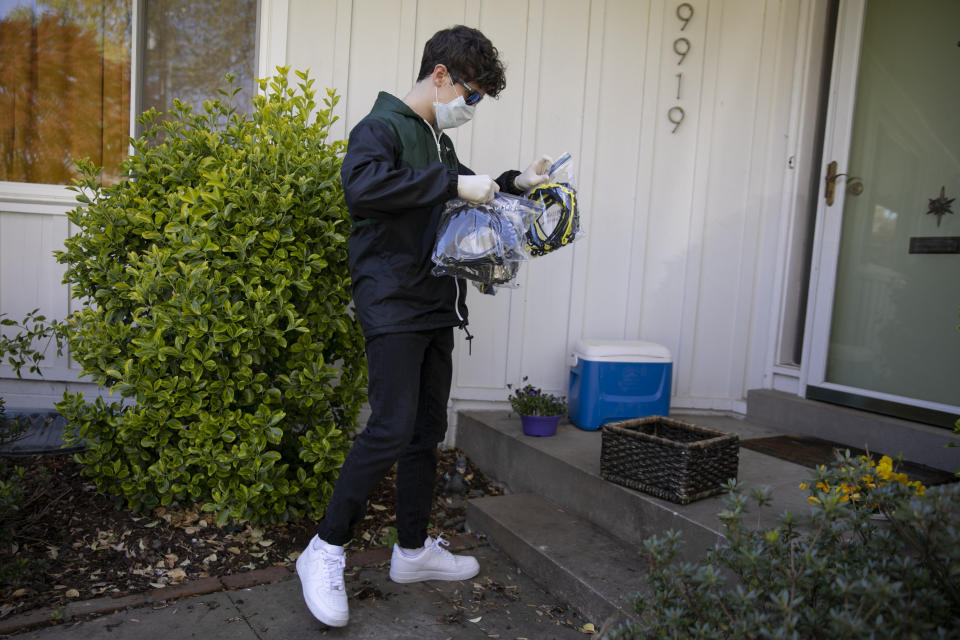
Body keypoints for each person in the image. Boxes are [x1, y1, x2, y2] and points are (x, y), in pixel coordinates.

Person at [295, 25, 552, 628]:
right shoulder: (379, 128)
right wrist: (452, 182)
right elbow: (362, 186)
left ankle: (411, 551)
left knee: (427, 428)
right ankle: (324, 549)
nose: (473, 106)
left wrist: (518, 182)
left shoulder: (434, 138)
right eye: (473, 94)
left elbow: (460, 185)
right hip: (391, 300)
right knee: (387, 427)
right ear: (441, 76)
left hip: (435, 300)